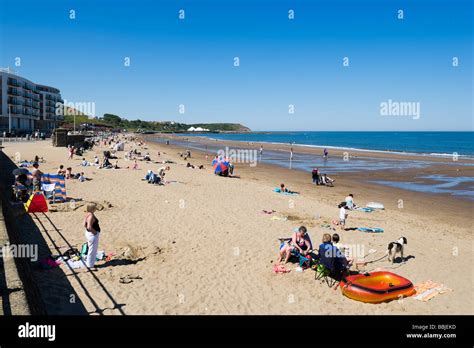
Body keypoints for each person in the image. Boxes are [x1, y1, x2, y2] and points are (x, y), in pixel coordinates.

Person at [83, 203, 101, 269]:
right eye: (94, 207)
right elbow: (89, 227)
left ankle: (90, 264)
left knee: (91, 250)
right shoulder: (90, 216)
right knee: (92, 250)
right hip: (92, 235)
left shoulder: (87, 214)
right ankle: (90, 265)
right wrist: (95, 233)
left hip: (89, 234)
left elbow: (84, 224)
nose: (96, 208)